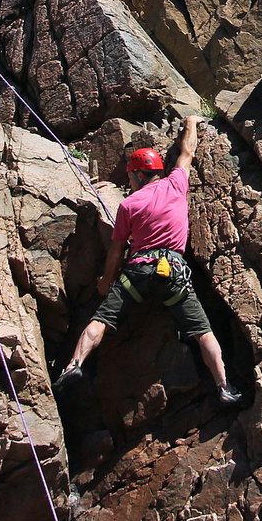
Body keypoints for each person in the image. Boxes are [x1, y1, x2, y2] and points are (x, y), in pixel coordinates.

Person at [55, 115, 242, 406]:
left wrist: (106, 281)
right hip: (174, 273)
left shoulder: (129, 205)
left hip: (138, 272)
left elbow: (117, 251)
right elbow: (187, 152)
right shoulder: (177, 183)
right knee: (202, 331)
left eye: (130, 177)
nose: (128, 183)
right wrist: (191, 122)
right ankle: (224, 387)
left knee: (101, 319)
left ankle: (74, 365)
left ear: (140, 175)